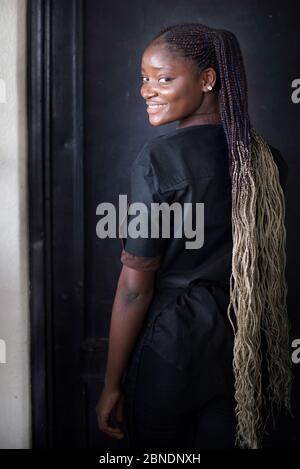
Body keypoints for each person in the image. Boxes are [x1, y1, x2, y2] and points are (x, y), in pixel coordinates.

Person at [95, 22, 292, 450]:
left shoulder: (159, 159)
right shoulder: (267, 159)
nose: (148, 90)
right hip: (243, 350)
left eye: (164, 78)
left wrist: (112, 383)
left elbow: (133, 289)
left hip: (173, 348)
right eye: (145, 79)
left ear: (207, 80)